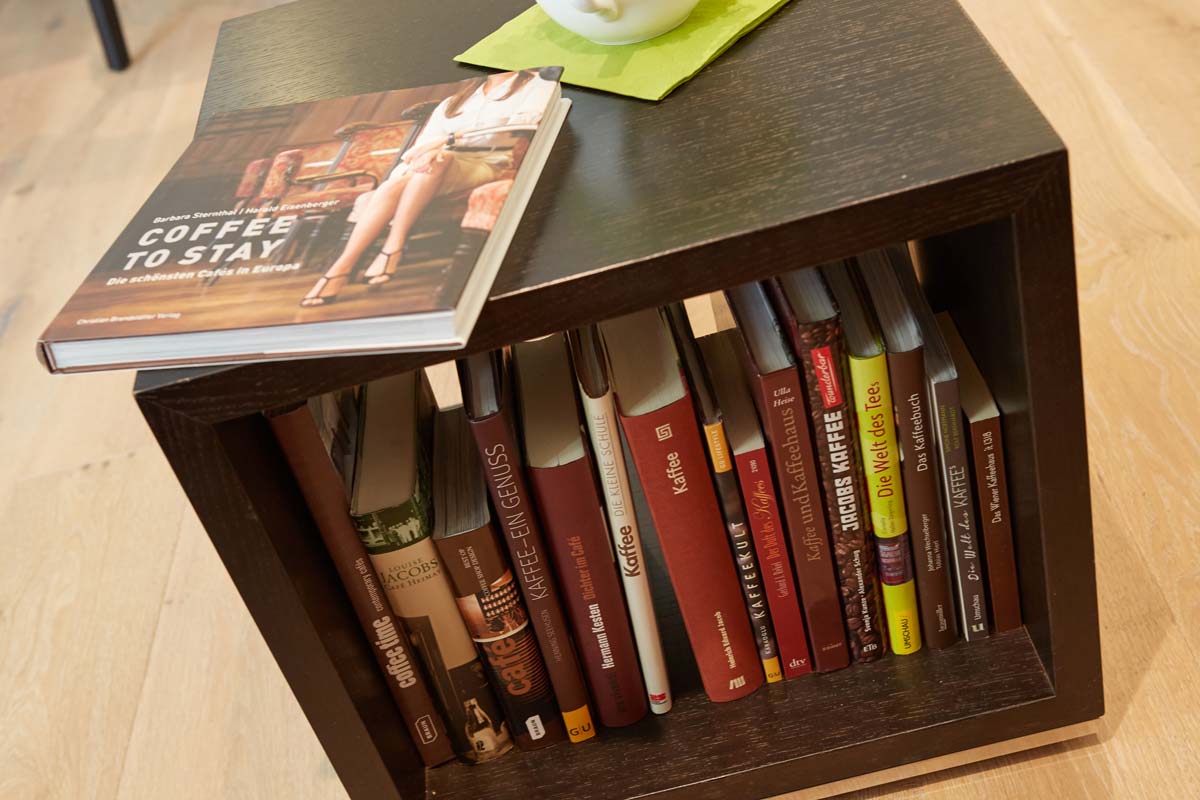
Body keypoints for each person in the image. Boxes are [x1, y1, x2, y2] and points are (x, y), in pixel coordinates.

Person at [300, 69, 556, 307]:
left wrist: (448, 139)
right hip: (439, 163)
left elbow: (525, 125)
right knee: (397, 183)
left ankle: (390, 246)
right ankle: (342, 268)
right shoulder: (453, 102)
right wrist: (431, 152)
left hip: (490, 162)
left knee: (439, 158)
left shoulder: (536, 82)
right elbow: (420, 147)